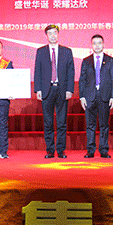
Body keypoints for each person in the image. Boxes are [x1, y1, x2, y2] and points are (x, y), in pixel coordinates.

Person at [34, 24, 75, 159]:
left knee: (62, 122)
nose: (52, 35)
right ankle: (50, 150)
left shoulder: (66, 51)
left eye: (55, 33)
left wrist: (70, 89)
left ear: (58, 34)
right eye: (50, 33)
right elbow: (38, 71)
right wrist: (38, 89)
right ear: (46, 36)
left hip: (62, 89)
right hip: (47, 90)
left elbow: (71, 72)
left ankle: (61, 150)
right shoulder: (41, 51)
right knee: (48, 122)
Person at [79, 34, 113, 158]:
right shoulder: (86, 61)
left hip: (104, 96)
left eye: (99, 43)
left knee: (104, 125)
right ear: (91, 45)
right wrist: (82, 97)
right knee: (90, 125)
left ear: (103, 44)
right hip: (89, 96)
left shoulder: (110, 60)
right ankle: (90, 150)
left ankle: (103, 150)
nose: (97, 45)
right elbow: (82, 80)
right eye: (94, 43)